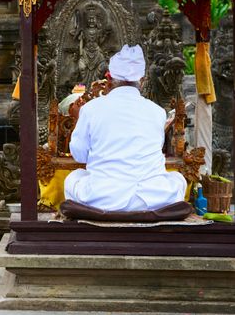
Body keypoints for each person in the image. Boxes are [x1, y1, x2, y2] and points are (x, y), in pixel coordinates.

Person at [64, 44, 187, 212]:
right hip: (152, 198)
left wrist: (78, 120)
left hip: (103, 198)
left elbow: (79, 156)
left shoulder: (91, 109)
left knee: (73, 178)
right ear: (142, 81)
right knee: (177, 179)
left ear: (110, 79)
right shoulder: (158, 112)